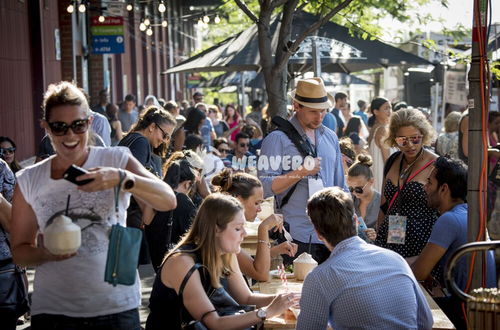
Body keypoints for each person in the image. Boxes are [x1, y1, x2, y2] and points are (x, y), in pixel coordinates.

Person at [10, 81, 176, 329]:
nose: (70, 135)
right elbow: (20, 249)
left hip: (116, 305)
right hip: (54, 309)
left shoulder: (116, 158)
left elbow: (167, 199)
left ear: (89, 122)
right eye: (59, 127)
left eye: (78, 125)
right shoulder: (28, 179)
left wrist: (122, 179)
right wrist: (46, 253)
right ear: (46, 127)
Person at [146, 193, 296, 330]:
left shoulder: (226, 253)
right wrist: (266, 312)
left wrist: (286, 300)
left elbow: (246, 297)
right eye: (238, 228)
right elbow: (214, 322)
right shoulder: (182, 262)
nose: (244, 233)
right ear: (216, 229)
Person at [298, 187, 433, 330]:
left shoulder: (319, 278)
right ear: (356, 221)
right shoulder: (396, 259)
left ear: (318, 233)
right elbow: (426, 322)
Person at [258, 77, 346, 264]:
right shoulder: (276, 139)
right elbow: (263, 187)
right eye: (313, 112)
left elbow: (341, 186)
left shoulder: (330, 137)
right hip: (295, 236)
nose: (319, 117)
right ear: (296, 106)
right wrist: (301, 171)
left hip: (331, 235)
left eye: (323, 111)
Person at [411, 157, 496, 329]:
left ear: (443, 189)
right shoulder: (470, 214)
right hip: (478, 307)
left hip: (465, 311)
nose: (425, 188)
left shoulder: (449, 219)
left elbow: (418, 272)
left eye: (429, 182)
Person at [375, 108, 439, 259]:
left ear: (423, 136)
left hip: (421, 243)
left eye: (415, 138)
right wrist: (378, 232)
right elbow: (384, 205)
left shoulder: (436, 164)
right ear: (394, 139)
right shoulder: (393, 160)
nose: (409, 145)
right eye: (402, 140)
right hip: (389, 240)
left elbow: (443, 209)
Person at [212, 169, 298, 281]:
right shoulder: (222, 230)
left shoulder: (222, 223)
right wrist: (263, 228)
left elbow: (248, 263)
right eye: (256, 203)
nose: (260, 209)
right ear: (238, 200)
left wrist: (275, 251)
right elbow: (260, 274)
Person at [145, 158, 198, 272]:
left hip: (158, 264)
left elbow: (146, 222)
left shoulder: (155, 197)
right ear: (187, 183)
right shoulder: (184, 201)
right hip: (178, 265)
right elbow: (195, 237)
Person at [347, 154, 381, 230]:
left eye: (358, 189)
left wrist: (376, 235)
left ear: (371, 181)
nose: (354, 193)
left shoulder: (382, 202)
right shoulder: (348, 199)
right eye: (351, 188)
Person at [367, 97, 394, 192]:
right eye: (386, 108)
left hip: (377, 174)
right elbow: (387, 160)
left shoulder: (375, 128)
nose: (389, 111)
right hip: (384, 175)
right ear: (376, 112)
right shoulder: (382, 130)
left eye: (390, 108)